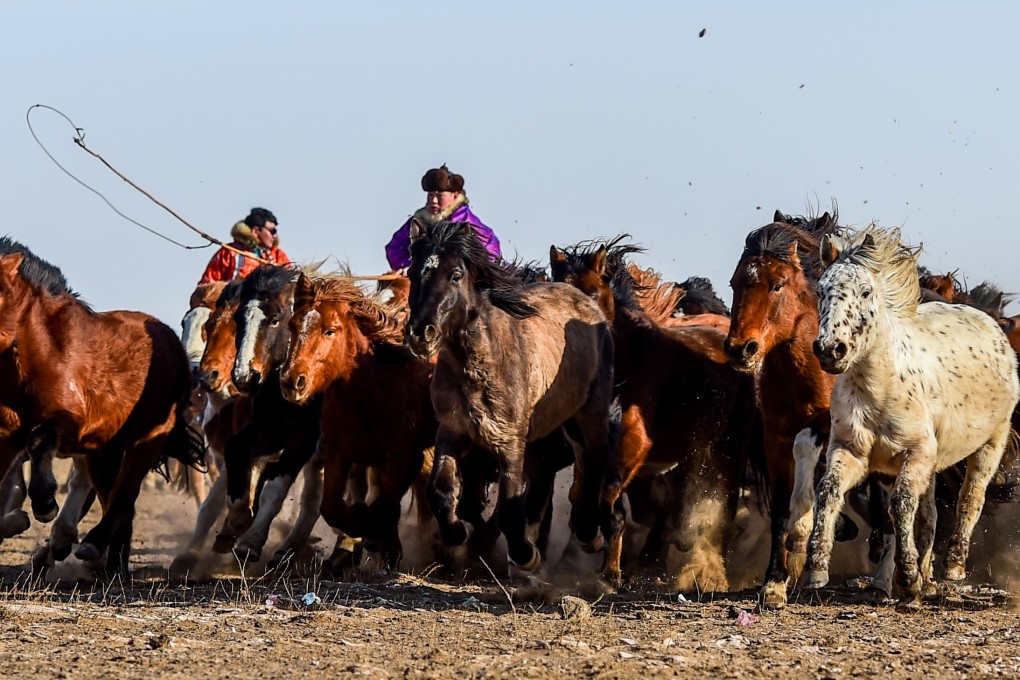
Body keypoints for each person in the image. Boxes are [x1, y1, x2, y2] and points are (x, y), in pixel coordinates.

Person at [385, 165, 501, 270]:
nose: (434, 201)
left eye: (440, 196)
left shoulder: (465, 223)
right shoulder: (419, 221)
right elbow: (395, 248)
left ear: (454, 195)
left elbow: (491, 251)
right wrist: (410, 266)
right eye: (430, 195)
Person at [198, 207, 291, 284]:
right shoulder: (229, 252)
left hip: (268, 304)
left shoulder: (278, 255)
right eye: (272, 231)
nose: (274, 236)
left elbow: (290, 284)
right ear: (256, 231)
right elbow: (208, 285)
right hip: (233, 303)